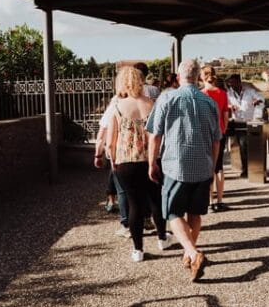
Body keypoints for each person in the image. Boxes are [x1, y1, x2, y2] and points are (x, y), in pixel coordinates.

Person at [148, 59, 221, 281]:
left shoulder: (167, 98)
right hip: (203, 164)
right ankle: (190, 256)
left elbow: (155, 134)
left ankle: (191, 252)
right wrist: (212, 165)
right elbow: (216, 139)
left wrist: (151, 162)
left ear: (179, 77)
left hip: (175, 165)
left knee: (172, 212)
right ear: (198, 76)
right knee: (195, 212)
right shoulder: (209, 102)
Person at [107, 66, 170, 262]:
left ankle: (138, 250)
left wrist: (111, 159)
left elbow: (111, 141)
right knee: (155, 200)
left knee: (134, 205)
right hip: (152, 159)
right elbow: (161, 134)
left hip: (126, 161)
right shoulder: (152, 104)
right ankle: (162, 238)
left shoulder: (117, 106)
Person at [94, 92, 130, 238]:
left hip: (118, 154)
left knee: (122, 191)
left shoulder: (113, 109)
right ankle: (144, 219)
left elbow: (101, 135)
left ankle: (126, 224)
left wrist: (98, 154)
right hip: (137, 154)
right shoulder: (140, 104)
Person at [201, 65, 231, 212]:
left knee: (208, 168)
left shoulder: (202, 94)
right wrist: (223, 129)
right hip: (219, 133)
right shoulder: (223, 93)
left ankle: (209, 201)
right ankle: (220, 200)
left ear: (202, 76)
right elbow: (225, 115)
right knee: (219, 167)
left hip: (205, 134)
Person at [226, 73, 264, 177]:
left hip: (250, 122)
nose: (231, 86)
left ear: (239, 82)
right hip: (238, 123)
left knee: (249, 147)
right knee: (242, 147)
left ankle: (251, 169)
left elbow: (261, 98)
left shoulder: (250, 91)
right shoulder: (229, 94)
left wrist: (257, 101)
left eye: (233, 83)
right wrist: (230, 106)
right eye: (230, 84)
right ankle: (245, 169)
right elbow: (226, 104)